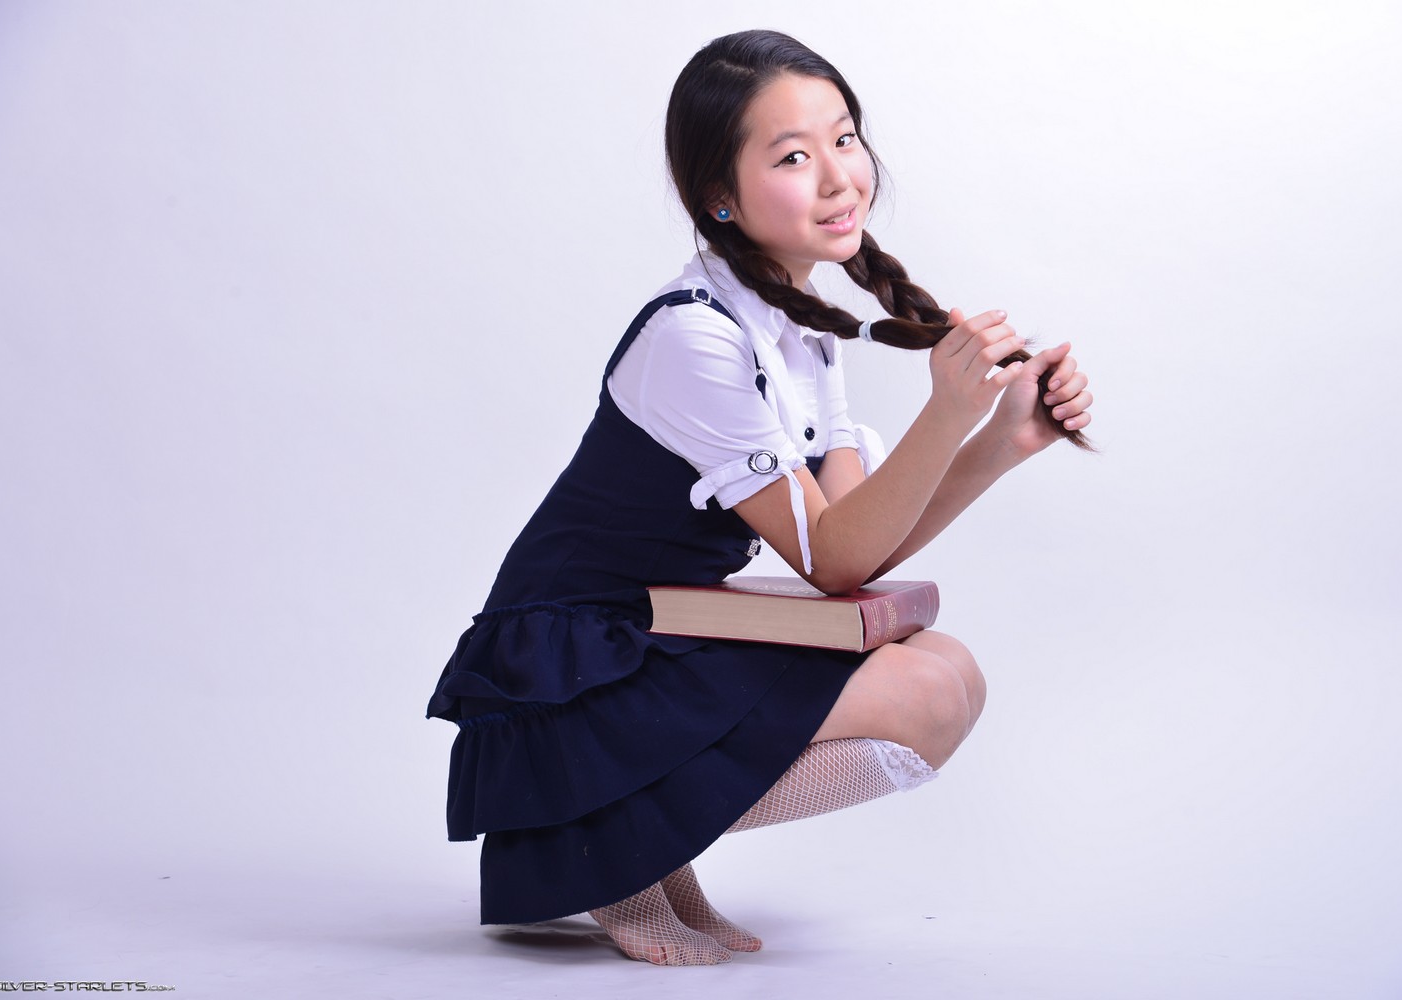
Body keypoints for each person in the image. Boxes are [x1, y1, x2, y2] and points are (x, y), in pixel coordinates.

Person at [425, 28, 1094, 966]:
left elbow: (856, 548)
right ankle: (606, 841)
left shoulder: (799, 331)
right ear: (720, 199)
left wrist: (999, 441)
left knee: (949, 672)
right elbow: (837, 560)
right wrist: (946, 413)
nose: (839, 177)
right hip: (575, 672)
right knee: (921, 692)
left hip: (661, 633)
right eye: (792, 156)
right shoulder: (693, 336)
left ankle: (644, 846)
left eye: (845, 138)